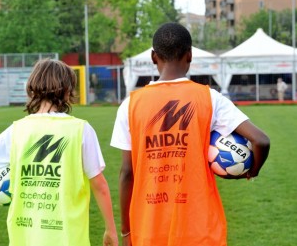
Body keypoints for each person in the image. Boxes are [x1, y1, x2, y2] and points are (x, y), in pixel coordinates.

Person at [110, 22, 270, 246]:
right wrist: (252, 170)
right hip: (200, 232)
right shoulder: (210, 99)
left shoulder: (130, 105)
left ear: (153, 57)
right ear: (190, 55)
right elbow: (261, 140)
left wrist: (127, 233)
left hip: (148, 231)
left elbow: (127, 173)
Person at [0, 58, 118, 246]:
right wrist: (110, 230)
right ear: (67, 90)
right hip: (69, 238)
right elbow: (100, 185)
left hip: (24, 237)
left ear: (32, 88)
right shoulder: (81, 130)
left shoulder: (16, 130)